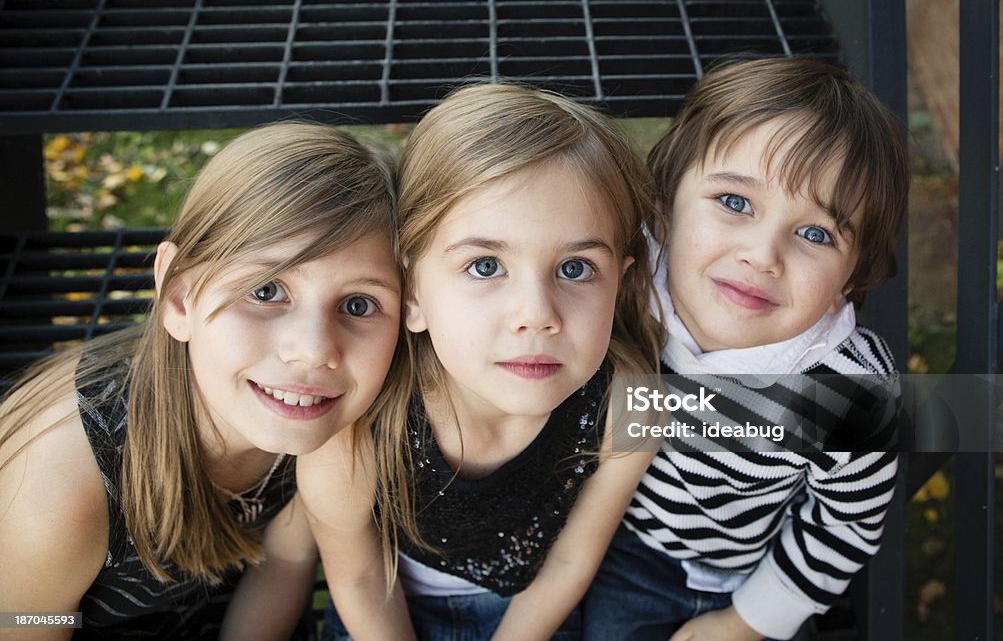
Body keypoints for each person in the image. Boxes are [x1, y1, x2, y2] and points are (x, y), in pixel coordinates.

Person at [0, 122, 404, 640]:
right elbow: (27, 622)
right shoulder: (63, 488)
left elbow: (282, 561)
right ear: (179, 296)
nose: (314, 350)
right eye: (264, 291)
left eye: (358, 304)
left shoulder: (323, 416)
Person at [309, 82, 663, 641]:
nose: (536, 314)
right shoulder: (362, 420)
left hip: (532, 615)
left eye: (575, 269)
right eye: (484, 266)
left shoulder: (629, 402)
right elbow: (358, 575)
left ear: (617, 280)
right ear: (414, 291)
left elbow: (571, 561)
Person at [583, 57, 909, 641]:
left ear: (847, 287)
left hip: (749, 579)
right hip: (621, 548)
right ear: (664, 207)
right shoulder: (624, 290)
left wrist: (744, 623)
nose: (762, 255)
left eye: (816, 234)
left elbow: (845, 526)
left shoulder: (845, 392)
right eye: (735, 202)